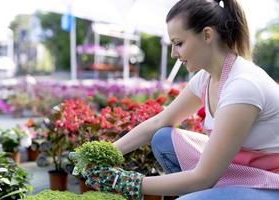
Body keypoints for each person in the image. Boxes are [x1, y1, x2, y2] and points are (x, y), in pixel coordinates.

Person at [84, 0, 279, 199]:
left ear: (207, 35)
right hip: (236, 170)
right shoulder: (206, 78)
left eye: (179, 43)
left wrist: (125, 181)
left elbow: (204, 177)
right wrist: (104, 153)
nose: (173, 53)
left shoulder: (243, 86)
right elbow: (161, 121)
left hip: (270, 181)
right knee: (163, 137)